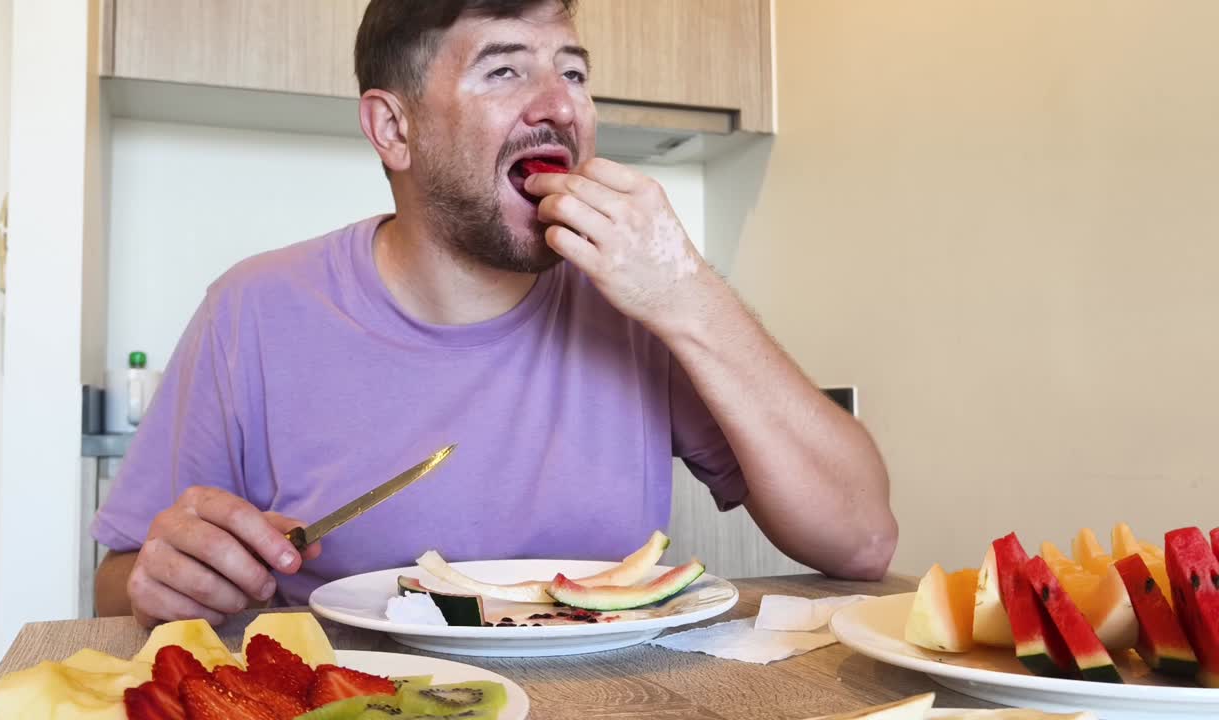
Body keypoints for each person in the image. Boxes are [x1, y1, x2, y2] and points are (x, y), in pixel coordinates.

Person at [92, 0, 898, 628]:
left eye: (574, 74)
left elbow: (862, 542)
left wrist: (685, 289)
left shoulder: (637, 308)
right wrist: (162, 579)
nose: (559, 107)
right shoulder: (254, 312)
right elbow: (114, 588)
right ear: (393, 128)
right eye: (505, 72)